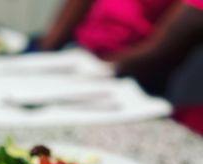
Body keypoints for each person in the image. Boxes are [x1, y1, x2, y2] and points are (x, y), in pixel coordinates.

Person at [38, 0, 203, 132]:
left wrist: (101, 69)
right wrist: (44, 52)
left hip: (129, 78)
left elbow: (164, 48)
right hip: (74, 56)